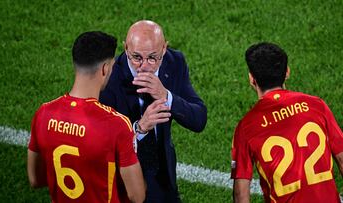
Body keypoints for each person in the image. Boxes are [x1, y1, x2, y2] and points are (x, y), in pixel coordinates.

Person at [27, 31, 145, 203]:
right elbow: (137, 196)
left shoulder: (44, 113)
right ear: (105, 68)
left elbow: (35, 179)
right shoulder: (116, 125)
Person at [99, 20, 207, 202]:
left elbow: (199, 119)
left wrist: (166, 96)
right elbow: (102, 144)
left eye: (152, 57)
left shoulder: (174, 63)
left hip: (164, 177)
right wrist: (139, 128)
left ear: (164, 49)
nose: (145, 66)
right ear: (125, 49)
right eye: (136, 57)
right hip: (125, 182)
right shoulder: (110, 78)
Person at [231, 42, 343, 203]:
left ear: (251, 79)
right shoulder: (316, 105)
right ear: (287, 72)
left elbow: (241, 195)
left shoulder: (245, 127)